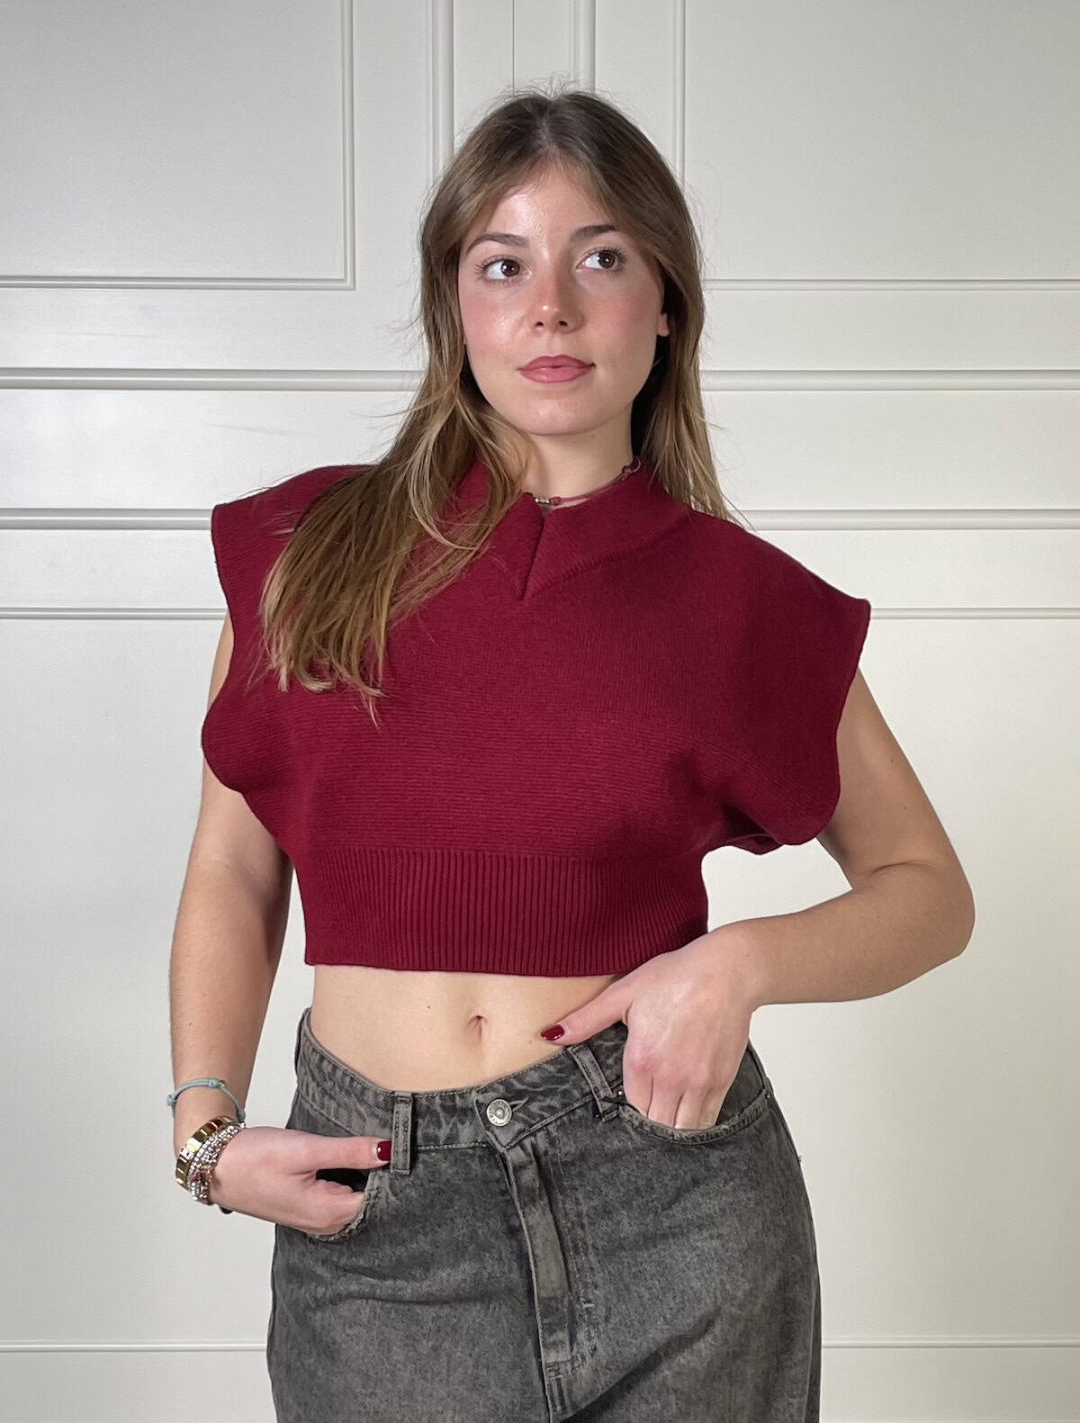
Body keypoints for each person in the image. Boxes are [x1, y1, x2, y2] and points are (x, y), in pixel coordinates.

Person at [167, 86, 975, 1422]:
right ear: (456, 307)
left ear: (665, 305)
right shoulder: (306, 555)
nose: (550, 307)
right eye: (504, 264)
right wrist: (205, 1136)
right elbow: (231, 872)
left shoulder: (743, 604)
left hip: (678, 1202)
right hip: (380, 1224)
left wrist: (739, 965)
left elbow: (929, 891)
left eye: (599, 257)